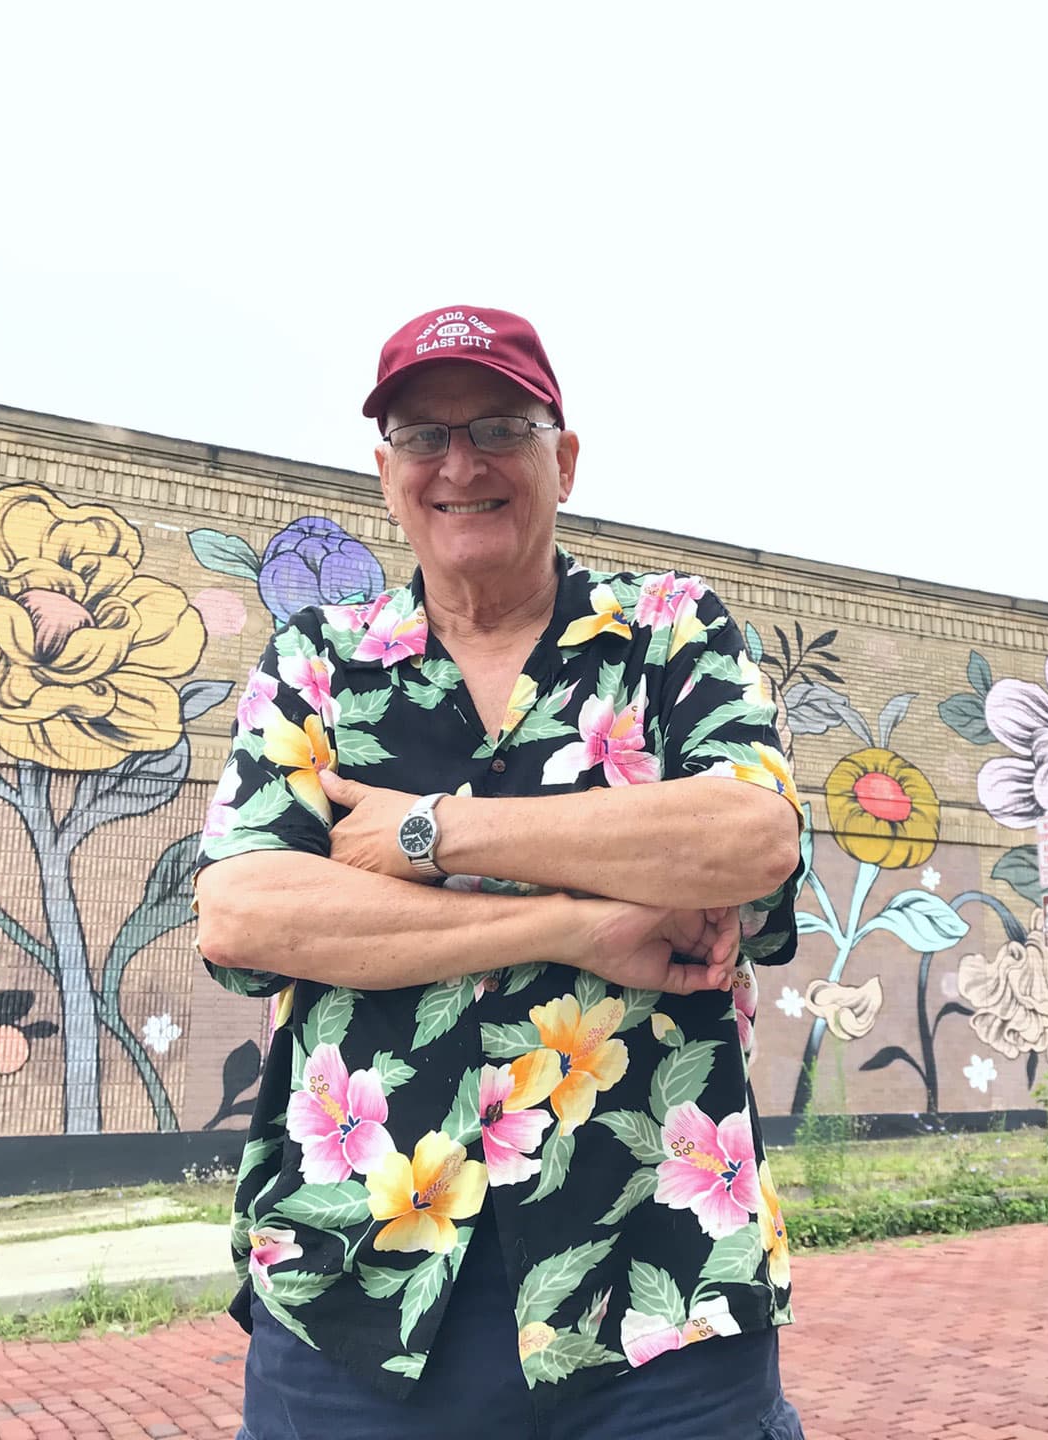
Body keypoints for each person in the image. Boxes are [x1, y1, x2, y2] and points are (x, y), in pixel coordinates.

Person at [193, 305, 807, 1439]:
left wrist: (433, 834)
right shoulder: (317, 663)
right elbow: (244, 911)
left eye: (499, 429)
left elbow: (751, 839)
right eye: (424, 437)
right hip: (357, 1289)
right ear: (387, 473)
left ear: (562, 459)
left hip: (657, 1284)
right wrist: (574, 924)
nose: (460, 464)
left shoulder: (670, 634)